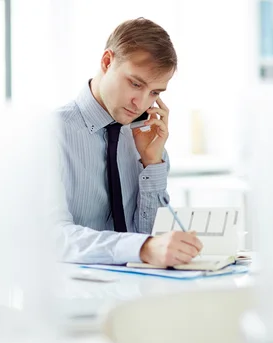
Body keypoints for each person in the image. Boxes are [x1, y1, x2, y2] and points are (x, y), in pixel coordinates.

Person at [56, 17, 202, 267]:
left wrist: (152, 164)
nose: (142, 103)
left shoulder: (144, 138)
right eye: (136, 84)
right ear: (106, 62)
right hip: (73, 295)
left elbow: (154, 241)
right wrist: (142, 248)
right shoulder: (50, 133)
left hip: (138, 292)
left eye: (155, 93)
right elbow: (54, 238)